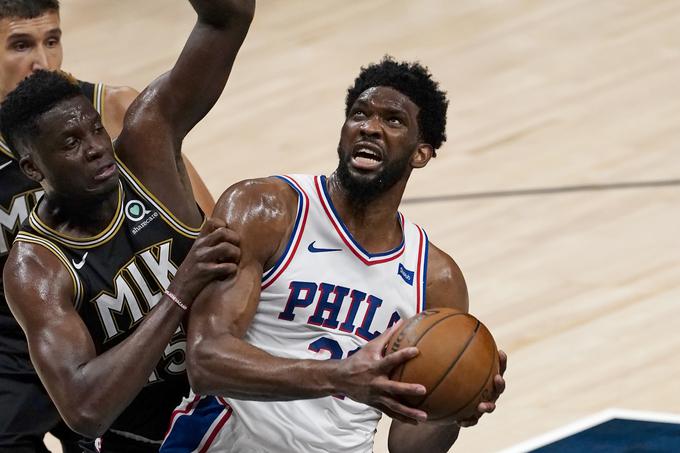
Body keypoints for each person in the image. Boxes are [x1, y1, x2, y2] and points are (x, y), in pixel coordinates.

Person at [162, 57, 507, 453]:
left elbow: (407, 443)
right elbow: (207, 360)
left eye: (393, 120)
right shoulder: (267, 210)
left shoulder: (437, 278)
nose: (370, 127)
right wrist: (339, 376)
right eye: (359, 114)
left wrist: (454, 408)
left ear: (421, 153)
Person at [1, 0, 254, 451]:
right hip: (138, 426)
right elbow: (87, 411)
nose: (98, 148)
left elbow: (227, 19)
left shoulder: (144, 145)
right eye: (72, 143)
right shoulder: (33, 267)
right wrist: (180, 291)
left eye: (97, 131)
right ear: (31, 168)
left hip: (231, 399)